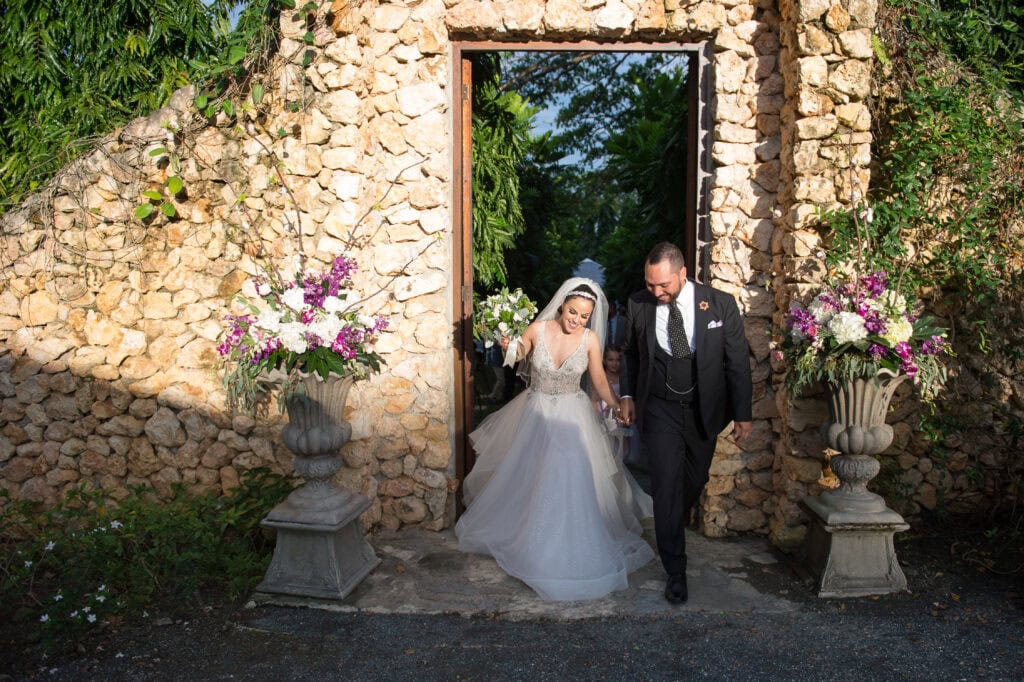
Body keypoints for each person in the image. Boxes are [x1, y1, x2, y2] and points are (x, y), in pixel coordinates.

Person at [456, 278, 655, 601]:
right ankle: (531, 541)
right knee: (532, 477)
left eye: (584, 316)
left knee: (569, 480)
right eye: (573, 312)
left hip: (572, 417)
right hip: (535, 414)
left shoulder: (590, 340)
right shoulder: (538, 329)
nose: (576, 320)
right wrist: (509, 342)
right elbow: (518, 352)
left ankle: (569, 543)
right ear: (562, 305)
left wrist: (618, 405)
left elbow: (599, 379)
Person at [618, 242, 753, 605]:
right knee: (665, 485)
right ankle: (675, 570)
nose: (656, 292)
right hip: (659, 408)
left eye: (663, 285)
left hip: (703, 409)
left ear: (682, 273)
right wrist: (627, 395)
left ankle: (671, 518)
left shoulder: (720, 304)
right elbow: (629, 352)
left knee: (694, 479)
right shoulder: (639, 304)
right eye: (650, 284)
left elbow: (737, 361)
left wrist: (743, 413)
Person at [591, 345, 653, 519]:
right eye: (610, 359)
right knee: (608, 459)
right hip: (606, 422)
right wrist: (598, 418)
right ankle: (609, 496)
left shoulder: (625, 380)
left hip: (622, 424)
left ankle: (621, 496)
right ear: (604, 360)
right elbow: (595, 399)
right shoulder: (602, 378)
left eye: (618, 360)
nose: (614, 363)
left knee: (624, 457)